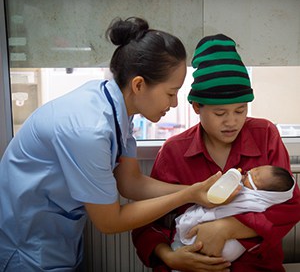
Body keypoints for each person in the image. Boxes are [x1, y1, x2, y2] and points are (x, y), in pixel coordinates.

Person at [0, 18, 230, 271]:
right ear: (139, 84)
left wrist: (195, 190)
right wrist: (186, 195)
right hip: (27, 244)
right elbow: (109, 222)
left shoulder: (116, 108)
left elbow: (130, 182)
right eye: (170, 93)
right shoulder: (89, 130)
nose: (175, 103)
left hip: (57, 237)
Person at [132, 34, 300, 272]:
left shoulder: (266, 136)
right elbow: (145, 223)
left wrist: (228, 228)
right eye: (220, 114)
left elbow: (290, 206)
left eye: (240, 110)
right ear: (197, 107)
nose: (232, 122)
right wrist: (170, 257)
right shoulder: (174, 152)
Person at [172, 165, 295, 263]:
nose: (250, 172)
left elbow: (230, 206)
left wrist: (224, 226)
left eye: (255, 176)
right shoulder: (173, 148)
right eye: (255, 169)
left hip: (229, 250)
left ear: (264, 192)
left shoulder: (254, 201)